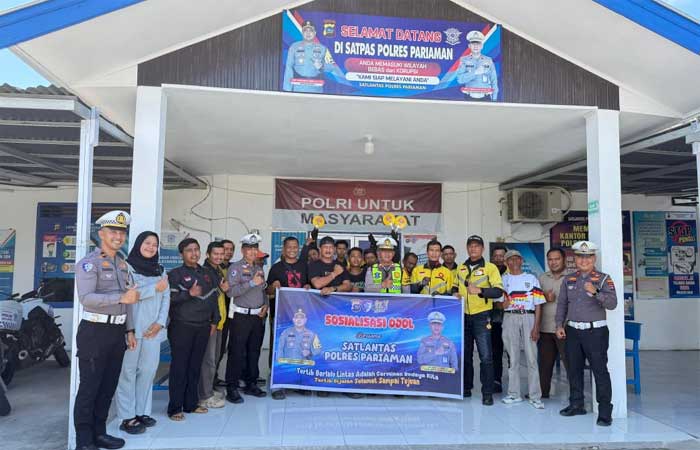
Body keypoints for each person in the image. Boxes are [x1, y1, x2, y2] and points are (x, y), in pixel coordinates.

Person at [74, 210, 138, 450]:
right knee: (89, 388)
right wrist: (121, 297)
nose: (118, 237)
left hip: (117, 332)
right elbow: (86, 298)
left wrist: (129, 330)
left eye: (122, 232)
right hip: (94, 331)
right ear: (101, 233)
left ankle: (99, 433)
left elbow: (129, 301)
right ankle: (83, 441)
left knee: (108, 386)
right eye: (113, 231)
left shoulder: (122, 264)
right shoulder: (89, 263)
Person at [556, 241, 617, 426]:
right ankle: (576, 404)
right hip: (572, 331)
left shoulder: (603, 279)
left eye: (588, 257)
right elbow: (562, 304)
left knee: (600, 371)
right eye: (580, 257)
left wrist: (596, 292)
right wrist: (559, 325)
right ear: (575, 259)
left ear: (594, 258)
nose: (584, 260)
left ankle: (605, 412)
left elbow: (612, 304)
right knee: (573, 370)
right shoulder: (569, 279)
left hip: (595, 331)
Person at [116, 231, 170, 434]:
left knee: (148, 371)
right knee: (127, 373)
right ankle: (126, 416)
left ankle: (140, 412)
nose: (151, 247)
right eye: (147, 243)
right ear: (138, 244)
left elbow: (166, 298)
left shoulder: (160, 270)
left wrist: (160, 323)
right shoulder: (126, 267)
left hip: (153, 331)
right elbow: (127, 296)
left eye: (155, 245)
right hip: (132, 329)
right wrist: (154, 288)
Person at [166, 238, 221, 421]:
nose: (194, 253)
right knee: (179, 367)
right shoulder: (175, 274)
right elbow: (169, 300)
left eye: (196, 249)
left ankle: (191, 404)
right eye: (189, 250)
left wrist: (215, 321)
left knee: (195, 366)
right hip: (182, 326)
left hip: (203, 326)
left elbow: (213, 298)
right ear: (181, 254)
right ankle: (175, 407)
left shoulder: (208, 273)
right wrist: (188, 294)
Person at [452, 235, 503, 405]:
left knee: (486, 356)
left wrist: (480, 291)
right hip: (463, 316)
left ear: (482, 249)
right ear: (467, 248)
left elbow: (498, 291)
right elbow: (454, 286)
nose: (473, 249)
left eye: (477, 246)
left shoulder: (490, 268)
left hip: (482, 316)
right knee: (465, 355)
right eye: (471, 246)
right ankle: (466, 388)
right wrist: (454, 293)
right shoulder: (461, 268)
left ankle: (487, 393)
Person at [225, 233, 269, 403]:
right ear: (243, 250)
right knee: (236, 353)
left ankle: (251, 383)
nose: (252, 252)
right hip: (241, 316)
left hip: (257, 316)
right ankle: (232, 387)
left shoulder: (258, 268)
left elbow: (263, 290)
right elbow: (230, 292)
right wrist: (251, 283)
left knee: (254, 351)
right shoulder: (235, 268)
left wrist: (266, 305)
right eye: (249, 248)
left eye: (255, 248)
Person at [499, 250, 546, 409]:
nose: (513, 262)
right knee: (513, 358)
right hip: (510, 317)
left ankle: (535, 396)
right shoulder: (503, 279)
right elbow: (498, 303)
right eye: (510, 259)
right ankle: (514, 394)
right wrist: (502, 304)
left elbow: (538, 304)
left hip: (528, 317)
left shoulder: (531, 278)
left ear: (521, 261)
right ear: (506, 262)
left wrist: (536, 327)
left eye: (516, 259)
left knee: (532, 358)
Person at [308, 236, 353, 398]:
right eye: (325, 247)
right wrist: (334, 274)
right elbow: (317, 284)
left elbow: (348, 285)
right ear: (320, 249)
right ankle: (323, 384)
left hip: (338, 315)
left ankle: (344, 384)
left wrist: (333, 288)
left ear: (334, 249)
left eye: (330, 247)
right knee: (322, 347)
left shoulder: (340, 265)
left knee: (340, 348)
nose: (328, 250)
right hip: (319, 314)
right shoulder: (314, 265)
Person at [266, 236, 310, 400]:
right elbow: (268, 292)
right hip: (280, 315)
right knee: (279, 346)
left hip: (300, 316)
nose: (292, 250)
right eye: (289, 247)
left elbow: (311, 286)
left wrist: (308, 286)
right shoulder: (276, 268)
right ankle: (277, 383)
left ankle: (297, 382)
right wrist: (273, 287)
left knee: (300, 346)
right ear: (283, 249)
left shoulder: (305, 266)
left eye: (295, 247)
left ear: (298, 248)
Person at [197, 242, 229, 410]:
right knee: (208, 360)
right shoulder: (205, 272)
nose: (219, 257)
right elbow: (206, 296)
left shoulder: (218, 270)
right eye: (215, 254)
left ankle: (208, 390)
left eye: (221, 254)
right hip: (210, 321)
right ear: (208, 254)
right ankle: (204, 396)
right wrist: (221, 289)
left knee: (214, 358)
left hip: (219, 321)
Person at [538, 247, 569, 398]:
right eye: (550, 259)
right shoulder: (542, 278)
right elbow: (535, 300)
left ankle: (576, 397)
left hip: (565, 329)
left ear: (564, 260)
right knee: (544, 364)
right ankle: (542, 393)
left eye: (557, 259)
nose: (553, 262)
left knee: (570, 364)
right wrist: (544, 296)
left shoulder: (571, 278)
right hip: (545, 328)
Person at [282, 20, 342, 93]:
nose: (308, 33)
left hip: (316, 88)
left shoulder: (323, 48)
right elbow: (289, 67)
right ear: (302, 32)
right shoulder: (294, 47)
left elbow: (333, 67)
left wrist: (322, 66)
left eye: (311, 30)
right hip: (298, 88)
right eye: (305, 30)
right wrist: (287, 89)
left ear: (315, 33)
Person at [456, 30, 498, 101]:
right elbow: (460, 79)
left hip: (485, 97)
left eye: (478, 43)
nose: (476, 46)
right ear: (469, 46)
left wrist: (494, 99)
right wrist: (475, 72)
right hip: (469, 98)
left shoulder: (488, 60)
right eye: (473, 43)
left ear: (482, 46)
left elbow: (494, 81)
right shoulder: (464, 60)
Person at [215, 239, 235, 386]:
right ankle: (211, 378)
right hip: (218, 314)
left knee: (228, 347)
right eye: (225, 249)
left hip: (233, 312)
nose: (228, 252)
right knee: (217, 348)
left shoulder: (234, 267)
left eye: (230, 249)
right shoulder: (213, 268)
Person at [489, 243, 508, 393]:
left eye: (501, 256)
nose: (498, 259)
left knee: (512, 351)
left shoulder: (512, 274)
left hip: (509, 315)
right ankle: (496, 380)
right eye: (495, 256)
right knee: (495, 350)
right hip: (493, 316)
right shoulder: (487, 272)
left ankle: (513, 383)